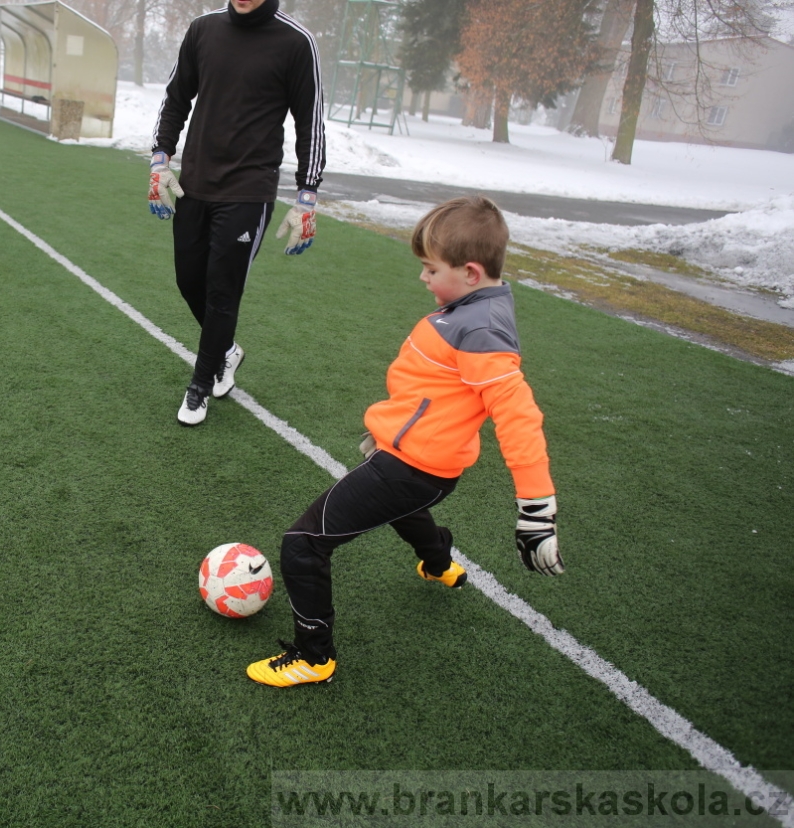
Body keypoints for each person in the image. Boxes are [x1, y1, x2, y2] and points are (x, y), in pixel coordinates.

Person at [246, 197, 565, 688]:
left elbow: (519, 418)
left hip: (412, 470)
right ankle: (439, 563)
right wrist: (390, 434)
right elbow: (433, 394)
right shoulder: (476, 305)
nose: (423, 278)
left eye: (430, 268)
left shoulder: (480, 330)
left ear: (472, 272)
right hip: (421, 466)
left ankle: (314, 657)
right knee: (404, 508)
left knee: (302, 545)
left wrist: (536, 510)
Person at [148, 0, 326, 427]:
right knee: (189, 279)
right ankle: (226, 351)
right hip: (195, 181)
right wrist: (161, 158)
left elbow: (310, 120)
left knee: (222, 290)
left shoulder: (297, 42)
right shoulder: (203, 30)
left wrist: (307, 194)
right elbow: (176, 97)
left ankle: (199, 386)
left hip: (250, 188)